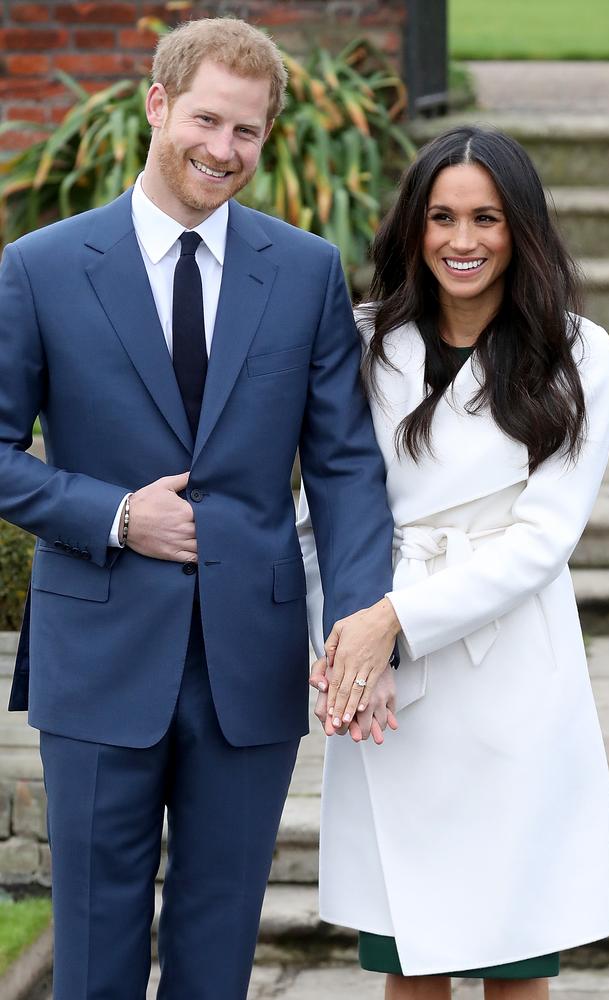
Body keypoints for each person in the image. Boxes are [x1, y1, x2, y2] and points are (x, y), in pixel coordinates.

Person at [0, 17, 397, 1000]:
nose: (222, 151)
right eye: (208, 121)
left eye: (247, 133)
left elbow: (345, 466)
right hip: (96, 654)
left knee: (216, 954)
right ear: (157, 105)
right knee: (92, 951)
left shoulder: (304, 271)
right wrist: (111, 515)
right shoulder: (41, 267)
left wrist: (357, 623)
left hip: (247, 663)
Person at [301, 126, 609, 1000]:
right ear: (414, 227)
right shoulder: (363, 339)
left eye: (486, 217)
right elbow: (323, 506)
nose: (462, 240)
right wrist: (338, 644)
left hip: (507, 669)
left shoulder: (579, 351)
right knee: (411, 951)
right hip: (383, 672)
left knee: (515, 950)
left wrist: (392, 624)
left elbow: (542, 540)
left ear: (522, 228)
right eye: (441, 217)